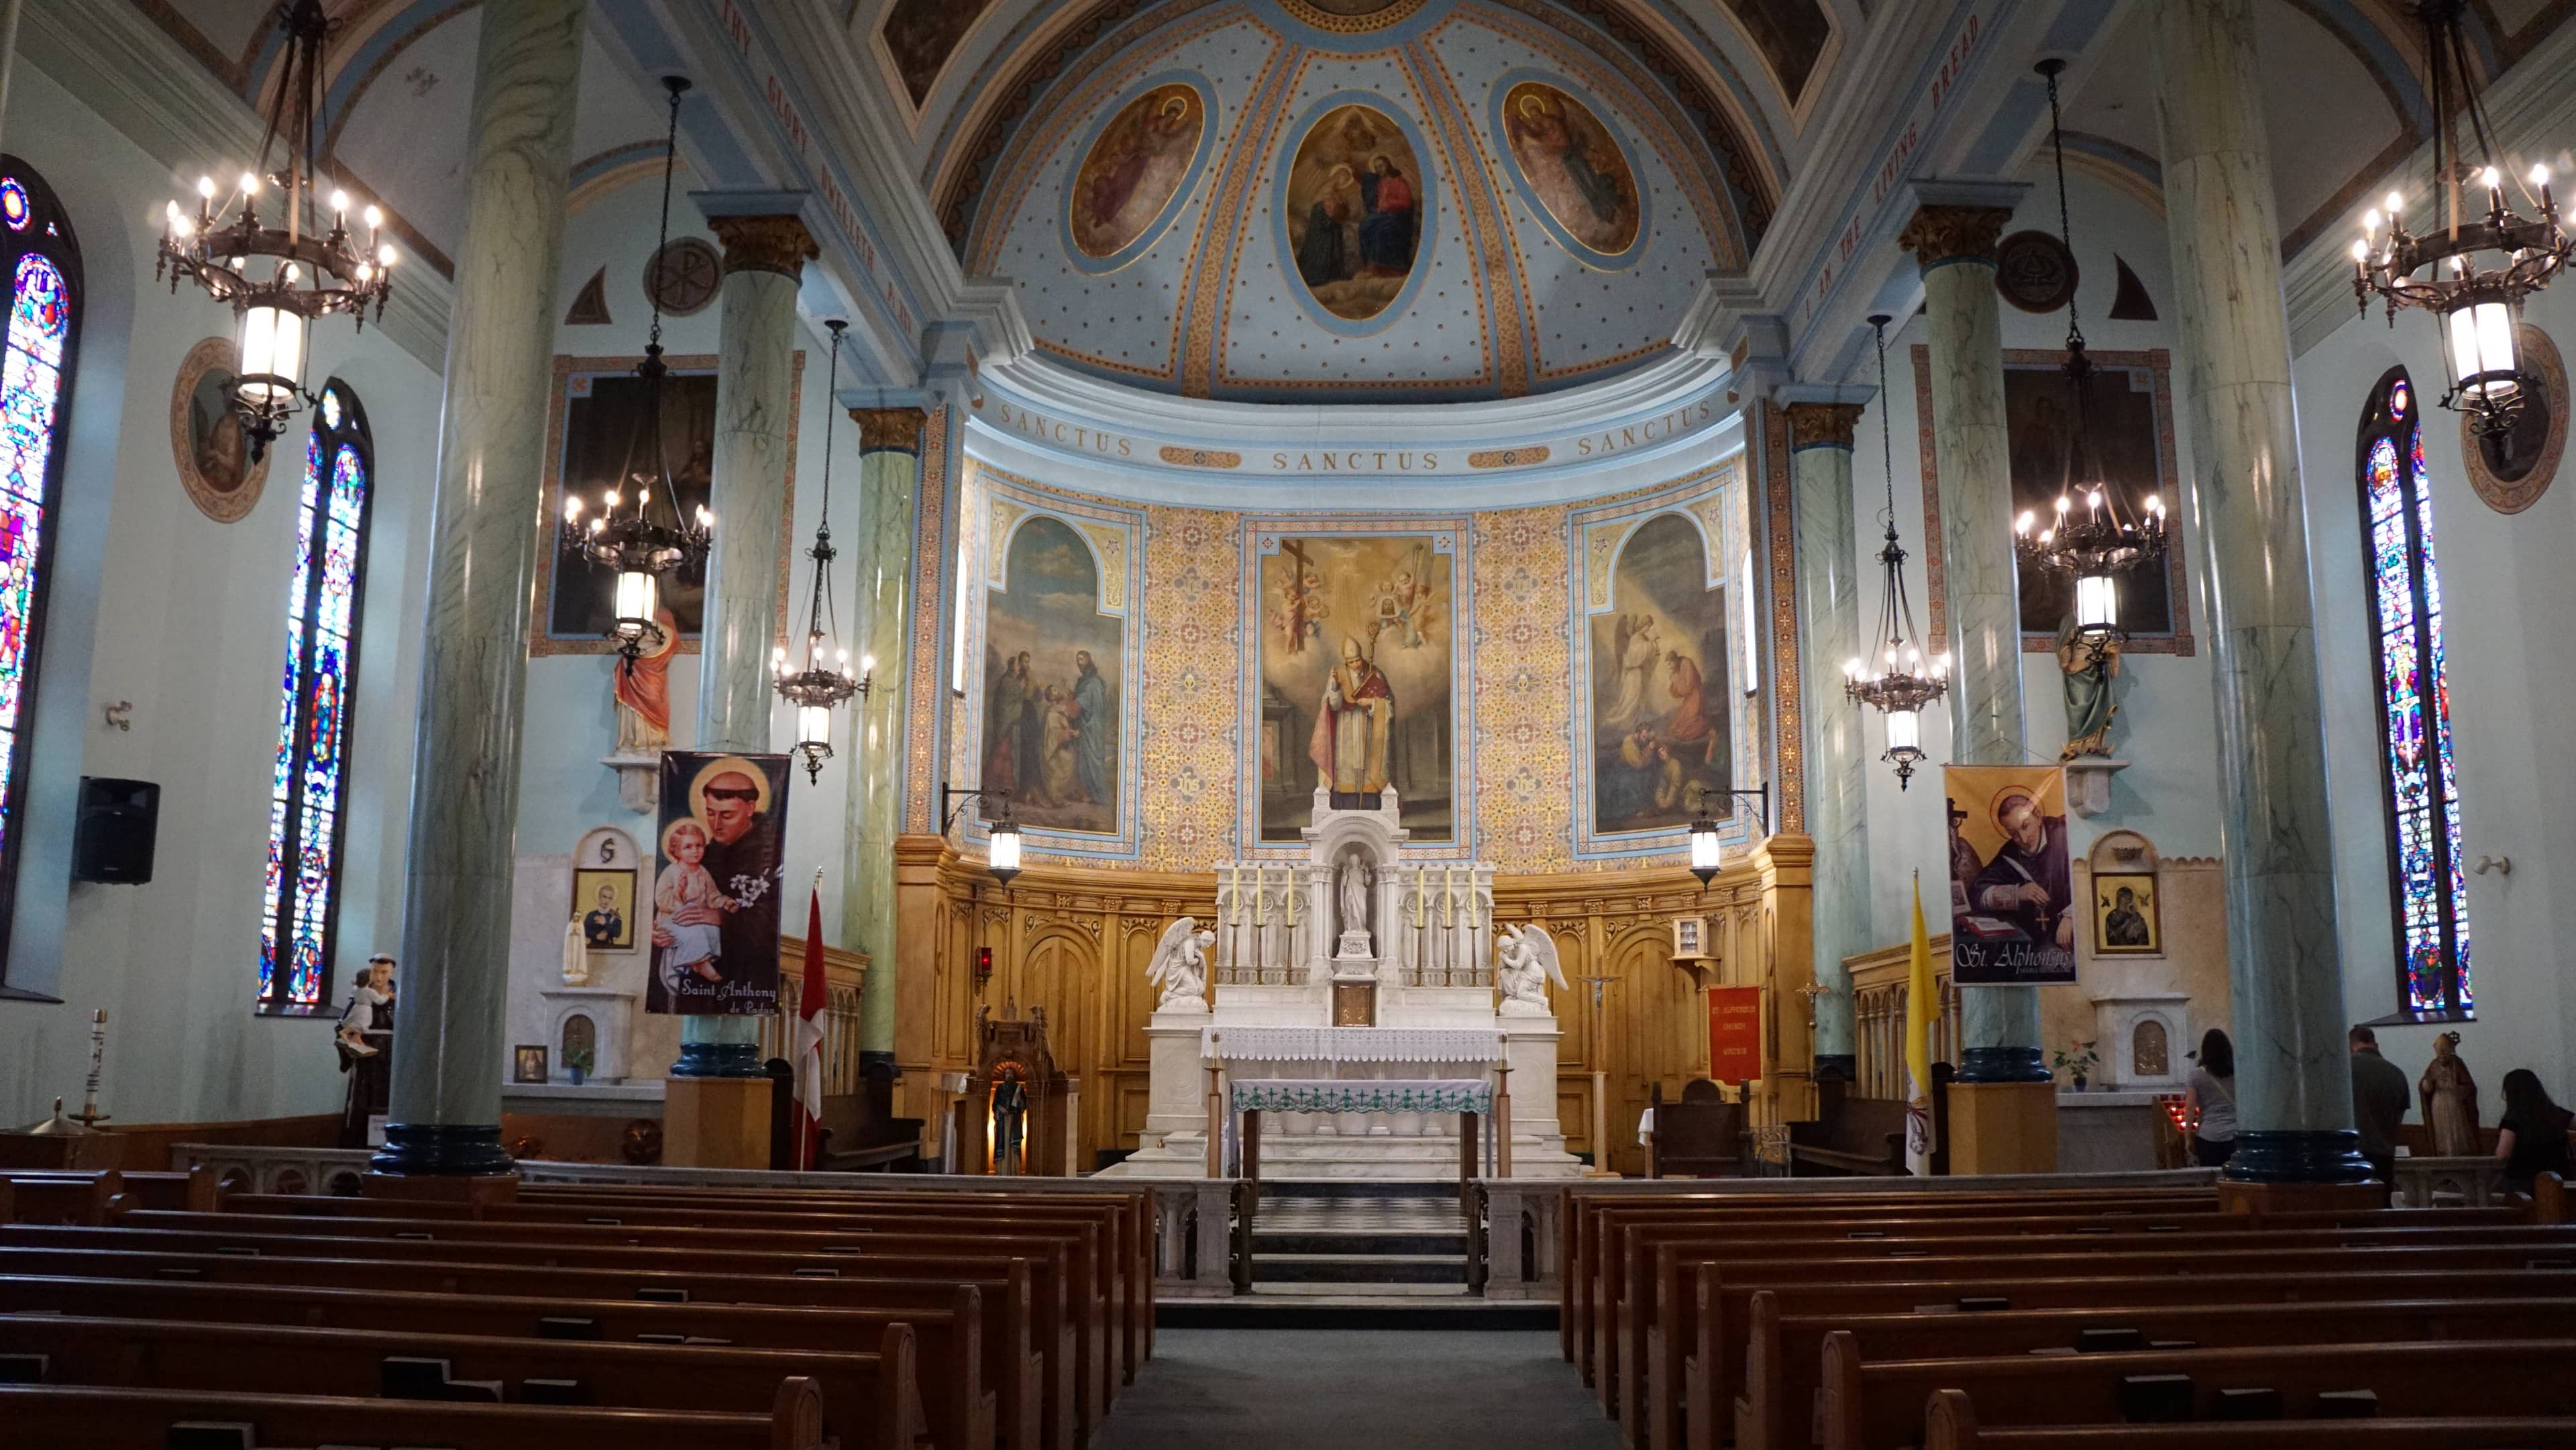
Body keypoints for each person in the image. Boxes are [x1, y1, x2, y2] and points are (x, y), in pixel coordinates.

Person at [653, 819, 731, 989]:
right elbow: (661, 898)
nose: (695, 851)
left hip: (695, 918)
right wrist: (678, 893)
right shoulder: (671, 872)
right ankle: (701, 964)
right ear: (676, 850)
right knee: (694, 927)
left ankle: (699, 960)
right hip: (672, 918)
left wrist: (724, 902)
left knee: (712, 929)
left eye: (699, 845)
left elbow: (712, 895)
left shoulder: (703, 872)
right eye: (688, 847)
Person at [2347, 1024, 2412, 1184]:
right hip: (2385, 1155)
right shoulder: (2397, 1073)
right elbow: (2399, 1117)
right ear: (2376, 1045)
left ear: (2350, 1046)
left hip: (2352, 1154)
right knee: (2383, 1202)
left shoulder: (2344, 1068)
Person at [2494, 1069, 2573, 1196]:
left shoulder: (2513, 1118)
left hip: (2523, 1182)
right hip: (2558, 1179)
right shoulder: (2557, 1114)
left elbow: (2503, 1154)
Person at [2183, 1027, 2237, 1168]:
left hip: (2208, 1135)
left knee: (2211, 1180)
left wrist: (2188, 1137)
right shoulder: (2238, 1072)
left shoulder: (2196, 1076)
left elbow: (2190, 1107)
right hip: (2235, 1134)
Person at [582, 882, 625, 948]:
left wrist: (605, 923)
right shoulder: (592, 915)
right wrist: (596, 936)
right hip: (593, 947)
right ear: (599, 897)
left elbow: (617, 933)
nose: (607, 901)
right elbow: (584, 930)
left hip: (610, 948)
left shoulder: (615, 915)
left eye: (610, 898)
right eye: (604, 897)